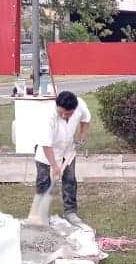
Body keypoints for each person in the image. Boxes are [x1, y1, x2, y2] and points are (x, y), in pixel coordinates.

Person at [26, 90, 91, 227]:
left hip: (68, 150)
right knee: (43, 181)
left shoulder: (80, 105)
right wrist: (55, 166)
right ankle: (39, 215)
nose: (63, 115)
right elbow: (46, 144)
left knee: (70, 180)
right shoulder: (48, 116)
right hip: (47, 152)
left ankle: (70, 212)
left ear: (74, 109)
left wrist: (83, 134)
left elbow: (86, 119)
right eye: (60, 112)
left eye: (67, 114)